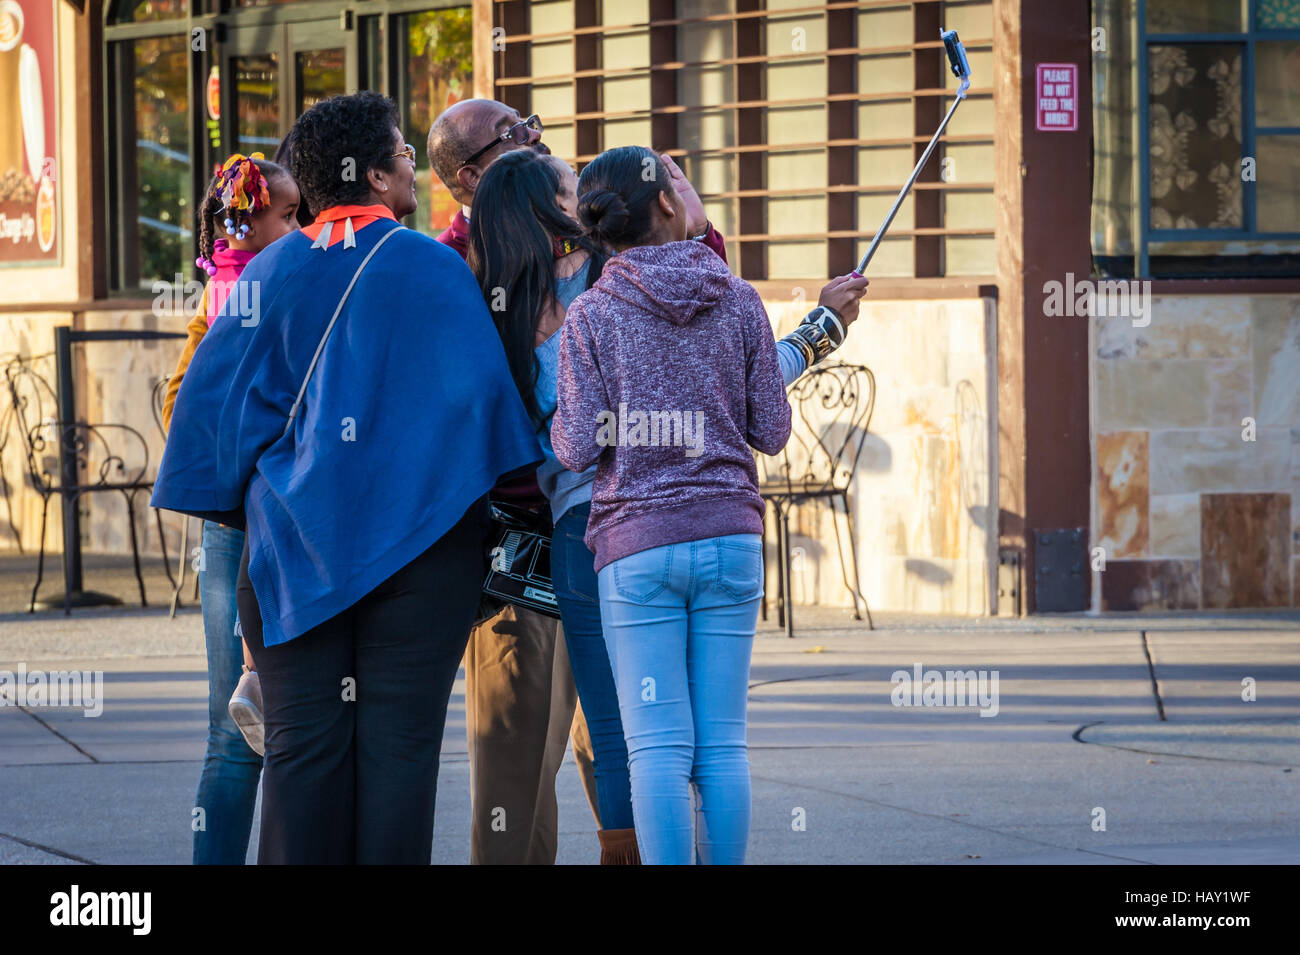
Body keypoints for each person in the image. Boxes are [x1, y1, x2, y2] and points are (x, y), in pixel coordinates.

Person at [154, 91, 541, 865]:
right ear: (370, 173)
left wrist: (268, 508)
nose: (410, 167)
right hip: (421, 562)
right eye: (402, 154)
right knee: (399, 764)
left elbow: (203, 425)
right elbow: (488, 418)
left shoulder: (270, 272)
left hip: (293, 567)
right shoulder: (433, 267)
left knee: (298, 764)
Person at [552, 145, 868, 864]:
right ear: (667, 205)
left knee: (655, 747)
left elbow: (572, 447)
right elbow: (772, 430)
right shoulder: (737, 297)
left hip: (635, 548)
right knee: (722, 743)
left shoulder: (592, 315)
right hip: (728, 537)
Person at [428, 98, 611, 864]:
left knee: (624, 753)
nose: (535, 136)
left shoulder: (605, 255)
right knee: (514, 773)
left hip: (609, 540)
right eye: (515, 135)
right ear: (469, 176)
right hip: (514, 555)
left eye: (530, 126)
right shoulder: (449, 272)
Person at [160, 150, 300, 864]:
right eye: (290, 214)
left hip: (256, 524)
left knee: (257, 728)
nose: (301, 224)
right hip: (248, 526)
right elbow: (178, 405)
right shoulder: (229, 296)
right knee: (240, 729)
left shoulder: (239, 281)